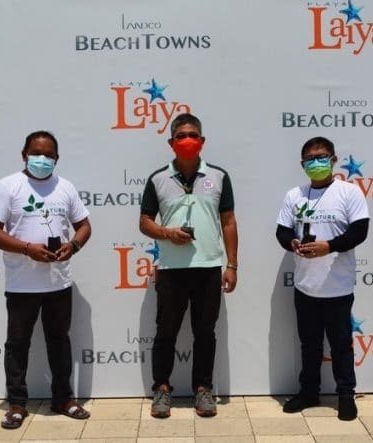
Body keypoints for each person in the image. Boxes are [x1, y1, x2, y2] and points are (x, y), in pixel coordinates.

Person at [0, 130, 92, 429]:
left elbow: (84, 225)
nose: (42, 159)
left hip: (58, 283)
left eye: (48, 155)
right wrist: (27, 249)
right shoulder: (9, 186)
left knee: (60, 343)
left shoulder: (66, 187)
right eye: (36, 153)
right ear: (24, 154)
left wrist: (74, 245)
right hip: (21, 285)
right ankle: (17, 404)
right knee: (17, 345)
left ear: (57, 158)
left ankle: (63, 398)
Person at [139, 113, 238, 418]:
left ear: (202, 141)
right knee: (165, 332)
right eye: (180, 136)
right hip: (170, 269)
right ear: (171, 142)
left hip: (208, 267)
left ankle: (203, 390)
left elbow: (229, 222)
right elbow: (144, 223)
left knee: (205, 332)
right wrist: (167, 233)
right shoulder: (157, 178)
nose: (187, 140)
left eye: (192, 135)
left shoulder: (219, 176)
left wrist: (232, 264)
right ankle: (162, 390)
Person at [275, 136, 369, 421]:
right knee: (309, 345)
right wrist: (292, 243)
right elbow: (282, 231)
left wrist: (329, 246)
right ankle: (309, 392)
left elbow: (359, 232)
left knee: (341, 344)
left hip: (338, 287)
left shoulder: (349, 192)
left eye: (322, 157)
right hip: (306, 287)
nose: (317, 163)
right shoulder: (295, 195)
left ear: (334, 160)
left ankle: (345, 395)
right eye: (311, 159)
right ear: (303, 164)